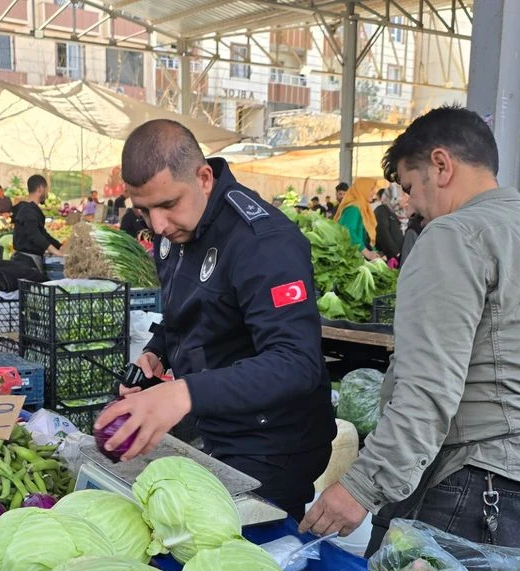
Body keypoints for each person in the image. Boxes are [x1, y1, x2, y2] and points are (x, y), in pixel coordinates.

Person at [300, 105, 520, 551]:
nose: (411, 204)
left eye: (411, 187)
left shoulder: (455, 236)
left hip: (470, 486)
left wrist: (362, 486)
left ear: (441, 164)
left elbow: (428, 384)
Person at [95, 119, 336, 521]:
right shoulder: (175, 232)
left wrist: (182, 393)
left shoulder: (263, 242)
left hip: (271, 447)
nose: (157, 225)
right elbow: (187, 314)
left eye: (168, 204)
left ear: (204, 178)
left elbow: (297, 362)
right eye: (144, 210)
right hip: (217, 428)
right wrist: (158, 354)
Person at [12, 175, 63, 277]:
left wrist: (60, 246)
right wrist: (56, 252)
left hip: (29, 260)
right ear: (40, 189)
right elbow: (35, 235)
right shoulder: (27, 211)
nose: (47, 194)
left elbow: (42, 233)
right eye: (46, 190)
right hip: (27, 262)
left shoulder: (29, 209)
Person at [334, 177, 378, 251]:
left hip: (358, 254)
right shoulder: (354, 208)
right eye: (371, 189)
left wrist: (374, 251)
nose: (374, 192)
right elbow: (348, 232)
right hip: (352, 254)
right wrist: (366, 252)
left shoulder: (364, 207)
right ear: (362, 189)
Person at [374, 186, 405, 259]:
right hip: (390, 258)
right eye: (403, 195)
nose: (407, 198)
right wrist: (396, 254)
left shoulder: (400, 212)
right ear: (395, 197)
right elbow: (384, 234)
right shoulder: (382, 211)